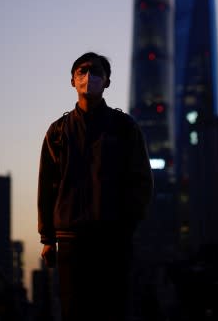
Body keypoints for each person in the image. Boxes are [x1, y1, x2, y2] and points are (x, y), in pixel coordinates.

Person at [38, 52, 154, 321]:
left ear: (108, 81)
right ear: (72, 80)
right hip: (70, 241)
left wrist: (126, 225)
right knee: (74, 312)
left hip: (112, 240)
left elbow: (141, 181)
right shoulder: (57, 132)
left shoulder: (125, 127)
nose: (88, 77)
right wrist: (47, 238)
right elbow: (47, 185)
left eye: (96, 71)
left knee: (113, 310)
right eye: (82, 71)